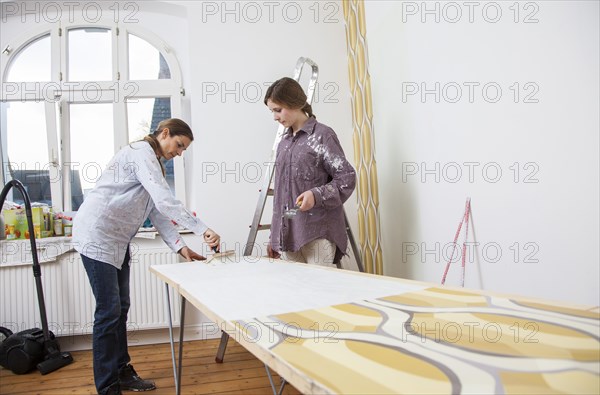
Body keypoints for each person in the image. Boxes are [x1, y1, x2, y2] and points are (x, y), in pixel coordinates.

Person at [73, 118, 220, 395]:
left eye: (184, 149)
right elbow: (166, 202)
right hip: (96, 236)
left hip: (116, 240)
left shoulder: (155, 164)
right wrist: (204, 229)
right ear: (164, 133)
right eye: (179, 145)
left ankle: (121, 371)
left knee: (121, 308)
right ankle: (107, 387)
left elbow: (157, 211)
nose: (179, 152)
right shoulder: (140, 153)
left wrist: (180, 247)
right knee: (108, 313)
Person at [265, 77, 356, 266]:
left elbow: (346, 178)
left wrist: (316, 195)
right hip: (289, 235)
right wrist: (275, 235)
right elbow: (281, 195)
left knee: (319, 292)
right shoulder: (284, 144)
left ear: (294, 103)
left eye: (278, 110)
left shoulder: (322, 136)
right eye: (272, 111)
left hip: (318, 232)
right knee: (296, 293)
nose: (274, 117)